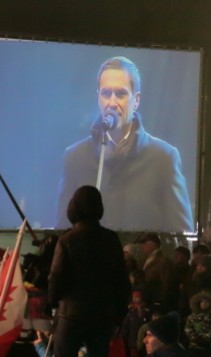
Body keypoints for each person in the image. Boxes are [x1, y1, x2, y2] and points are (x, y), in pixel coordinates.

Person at [34, 185, 131, 357]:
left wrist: (54, 303)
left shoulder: (67, 240)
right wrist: (117, 316)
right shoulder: (111, 240)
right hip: (101, 315)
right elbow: (122, 282)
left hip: (71, 314)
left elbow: (55, 280)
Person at [55, 56, 193, 232]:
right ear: (98, 98)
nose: (112, 103)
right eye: (106, 94)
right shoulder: (75, 157)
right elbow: (62, 230)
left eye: (120, 94)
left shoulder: (164, 158)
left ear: (136, 100)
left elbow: (181, 235)